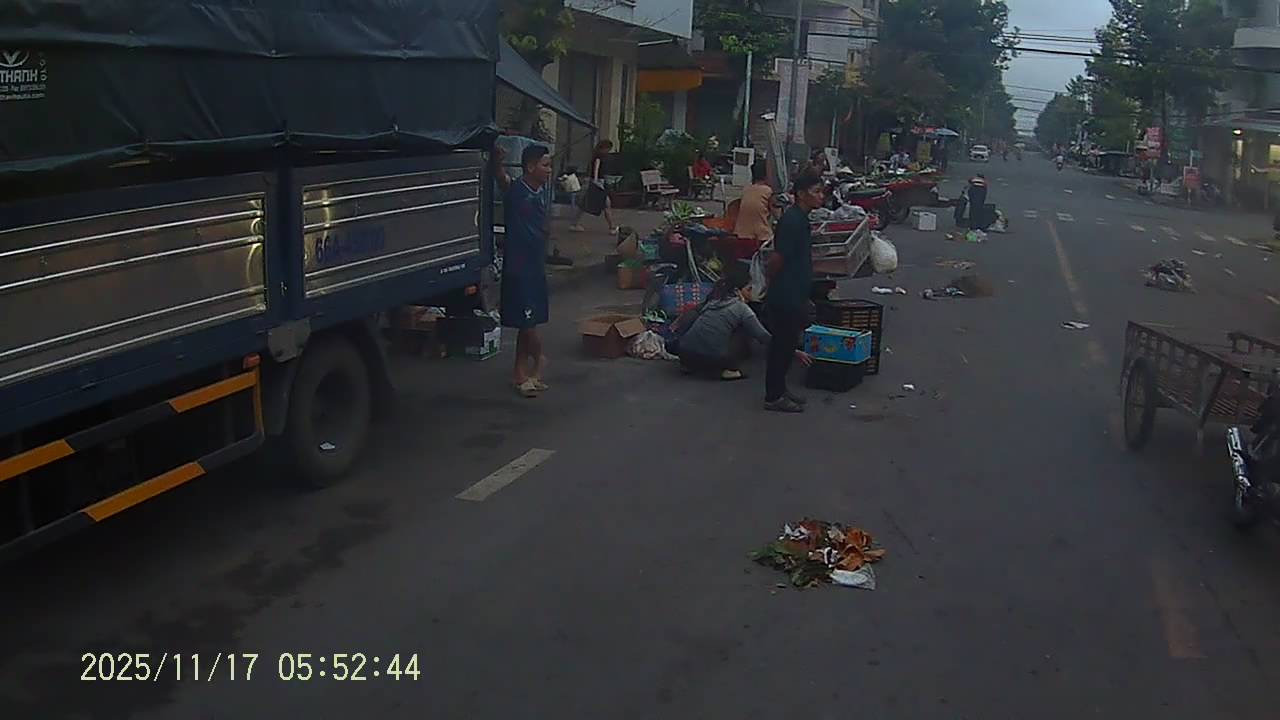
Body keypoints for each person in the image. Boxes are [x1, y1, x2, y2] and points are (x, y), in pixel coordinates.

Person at [494, 144, 553, 398]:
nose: (549, 170)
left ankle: (519, 372)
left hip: (535, 264)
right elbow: (501, 178)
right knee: (527, 322)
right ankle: (539, 360)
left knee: (527, 320)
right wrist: (497, 161)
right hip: (518, 267)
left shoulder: (543, 192)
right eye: (545, 165)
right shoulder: (517, 190)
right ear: (530, 167)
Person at [763, 170, 821, 413]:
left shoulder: (801, 219)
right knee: (781, 347)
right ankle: (773, 396)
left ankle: (781, 389)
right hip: (785, 295)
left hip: (795, 293)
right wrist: (772, 283)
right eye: (816, 191)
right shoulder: (792, 221)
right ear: (801, 194)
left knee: (787, 347)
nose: (821, 196)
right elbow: (777, 259)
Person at [673, 266, 772, 381]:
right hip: (713, 359)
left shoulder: (713, 301)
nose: (752, 291)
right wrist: (783, 346)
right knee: (743, 329)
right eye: (749, 288)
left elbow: (693, 313)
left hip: (684, 353)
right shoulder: (741, 308)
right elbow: (761, 335)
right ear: (738, 290)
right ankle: (728, 369)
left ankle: (690, 365)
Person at [570, 140, 617, 234]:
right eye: (607, 149)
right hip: (598, 183)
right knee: (606, 204)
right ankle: (612, 227)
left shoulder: (597, 157)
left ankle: (574, 224)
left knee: (585, 205)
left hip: (597, 183)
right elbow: (596, 170)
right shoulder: (598, 158)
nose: (608, 151)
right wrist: (596, 182)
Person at [733, 161, 775, 243]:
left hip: (740, 234)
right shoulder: (768, 191)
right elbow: (777, 214)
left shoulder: (746, 189)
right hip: (760, 235)